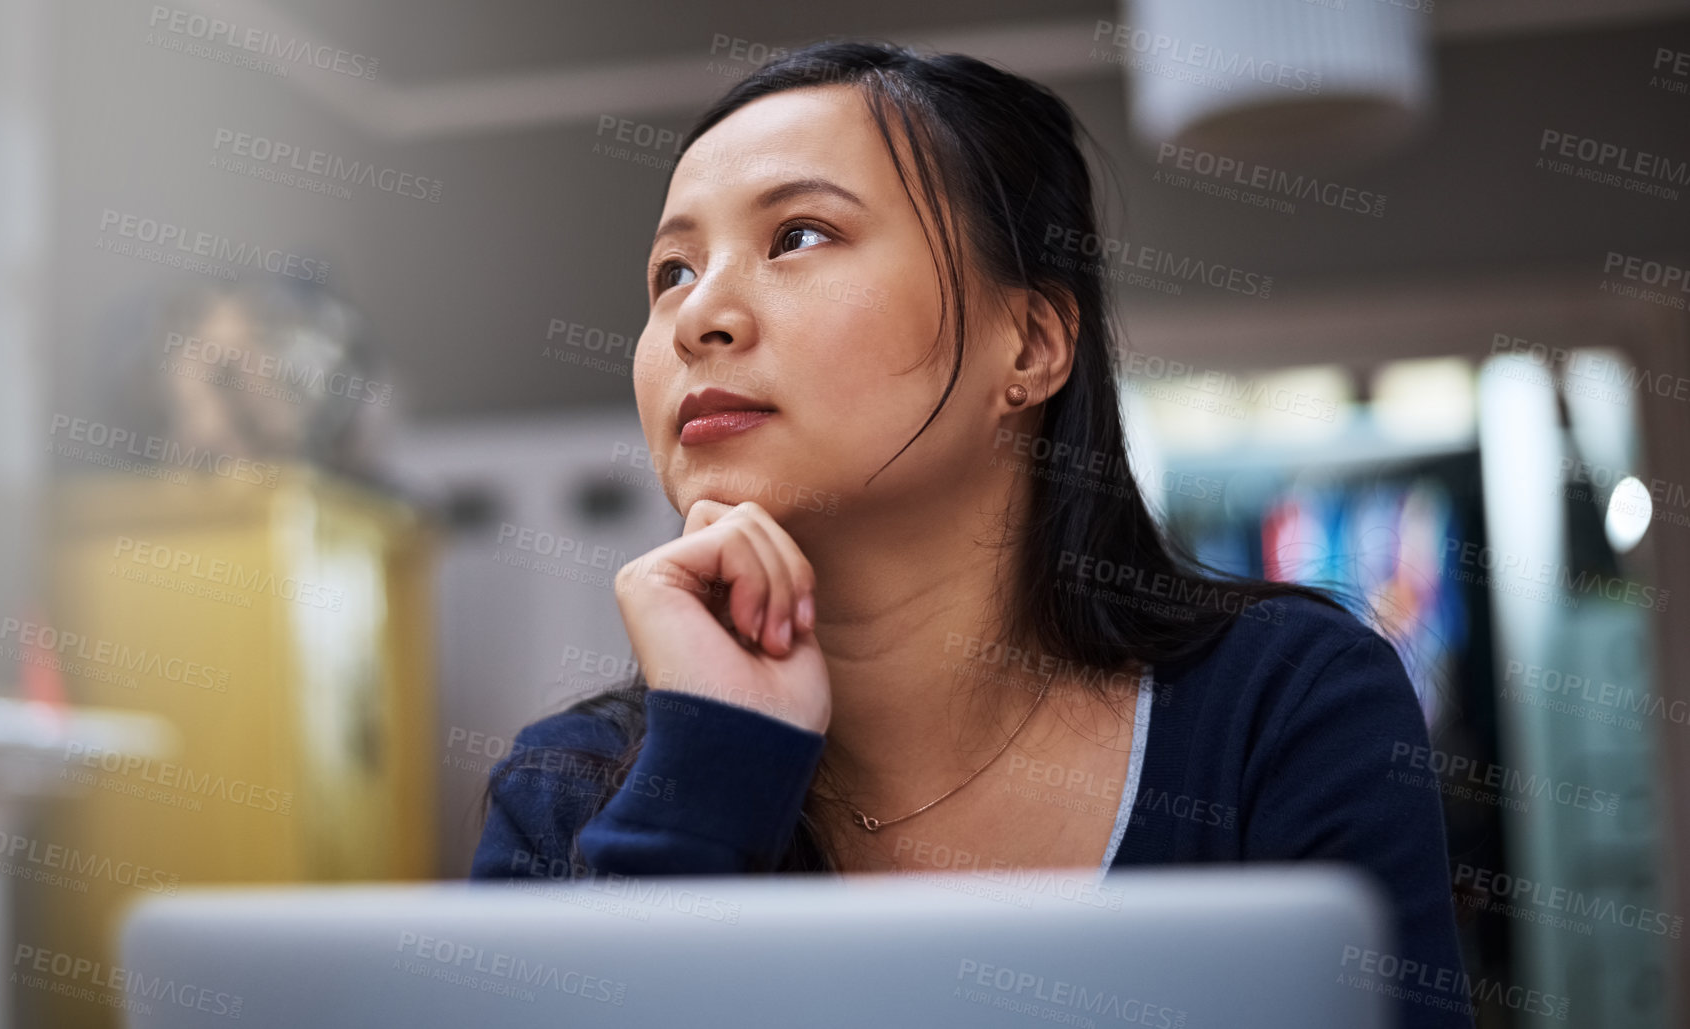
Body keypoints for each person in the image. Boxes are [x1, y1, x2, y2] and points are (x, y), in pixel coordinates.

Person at [471, 40, 1470, 1029]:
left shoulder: (1282, 704)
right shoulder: (566, 789)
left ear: (1029, 344)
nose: (700, 318)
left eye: (800, 235)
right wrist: (707, 778)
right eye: (671, 271)